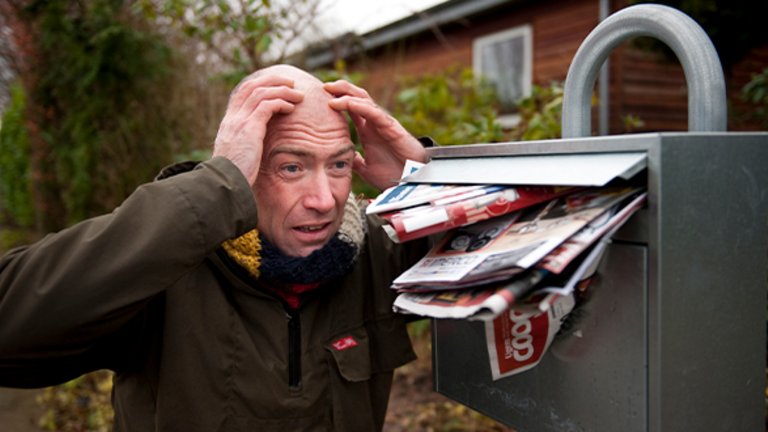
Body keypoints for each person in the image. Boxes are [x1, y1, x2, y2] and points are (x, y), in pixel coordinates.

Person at [0, 64, 430, 431]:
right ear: (239, 166)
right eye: (292, 167)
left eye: (338, 164)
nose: (325, 199)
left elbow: (495, 270)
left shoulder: (379, 248)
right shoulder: (164, 259)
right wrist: (213, 190)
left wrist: (424, 187)